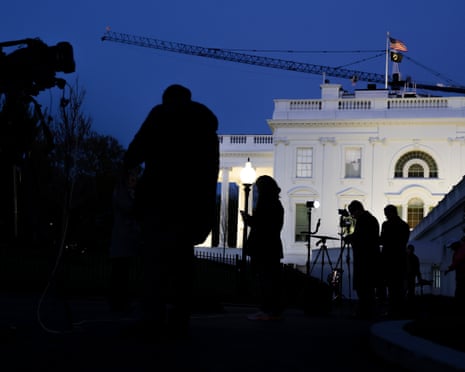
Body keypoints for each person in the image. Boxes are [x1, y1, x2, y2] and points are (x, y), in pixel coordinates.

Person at [122, 84, 219, 340]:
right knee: (182, 265)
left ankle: (152, 317)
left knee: (155, 262)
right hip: (190, 204)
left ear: (167, 99)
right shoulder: (205, 127)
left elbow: (136, 150)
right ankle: (179, 319)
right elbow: (210, 174)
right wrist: (206, 213)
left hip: (160, 199)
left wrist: (129, 168)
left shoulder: (161, 114)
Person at [241, 175, 285, 321]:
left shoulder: (266, 203)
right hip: (272, 246)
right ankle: (273, 309)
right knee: (271, 279)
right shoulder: (277, 204)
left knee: (265, 279)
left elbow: (263, 226)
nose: (258, 191)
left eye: (259, 188)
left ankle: (267, 310)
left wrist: (249, 220)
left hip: (264, 247)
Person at [108, 170, 142, 313]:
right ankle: (119, 302)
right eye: (132, 178)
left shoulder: (128, 193)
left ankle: (122, 301)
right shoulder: (121, 193)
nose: (134, 181)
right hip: (122, 239)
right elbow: (129, 208)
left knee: (124, 273)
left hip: (127, 239)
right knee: (120, 273)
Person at [343, 200, 380, 319]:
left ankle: (365, 311)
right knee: (367, 287)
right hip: (368, 258)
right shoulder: (370, 219)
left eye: (353, 213)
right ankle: (367, 311)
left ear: (357, 210)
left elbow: (363, 237)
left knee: (364, 286)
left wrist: (351, 238)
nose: (352, 216)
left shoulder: (365, 220)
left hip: (365, 259)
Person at [379, 204, 410, 318]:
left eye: (386, 214)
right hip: (400, 259)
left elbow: (382, 240)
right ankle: (399, 310)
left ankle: (392, 309)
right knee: (398, 287)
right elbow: (404, 242)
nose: (386, 216)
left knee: (390, 286)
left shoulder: (386, 225)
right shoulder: (404, 225)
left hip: (389, 259)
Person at [445, 238, 465, 313]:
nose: (451, 249)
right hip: (460, 275)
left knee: (460, 290)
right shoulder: (457, 252)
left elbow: (457, 261)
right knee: (460, 290)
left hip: (462, 275)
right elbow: (455, 263)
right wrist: (449, 269)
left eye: (452, 246)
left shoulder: (461, 250)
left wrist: (449, 269)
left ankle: (458, 307)